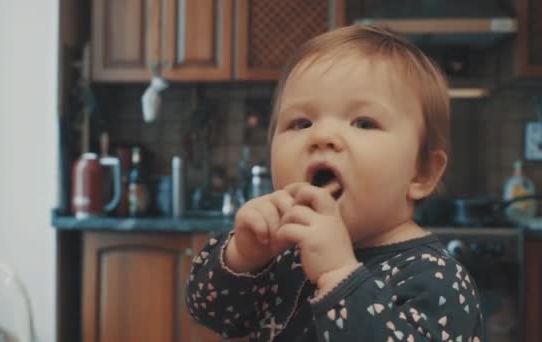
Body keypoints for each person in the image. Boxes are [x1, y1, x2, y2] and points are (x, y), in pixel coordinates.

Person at [186, 25, 483, 341]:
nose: (322, 136)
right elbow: (208, 311)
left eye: (364, 123)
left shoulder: (436, 279)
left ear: (421, 172)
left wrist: (337, 275)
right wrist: (242, 256)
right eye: (301, 123)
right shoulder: (283, 253)